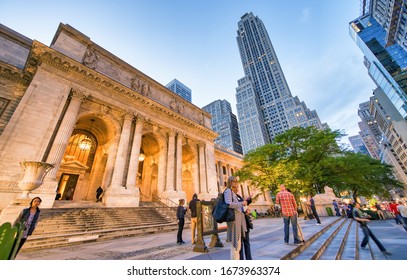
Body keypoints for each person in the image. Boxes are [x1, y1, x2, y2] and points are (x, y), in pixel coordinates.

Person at [224, 175, 248, 260]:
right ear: (230, 182)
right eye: (234, 181)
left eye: (236, 181)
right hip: (234, 220)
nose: (236, 183)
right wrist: (241, 203)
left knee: (238, 246)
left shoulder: (232, 192)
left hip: (238, 220)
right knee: (235, 246)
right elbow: (229, 204)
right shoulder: (228, 191)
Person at [235, 191, 252, 260]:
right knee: (240, 244)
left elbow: (245, 203)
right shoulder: (231, 198)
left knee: (247, 242)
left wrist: (249, 198)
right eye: (235, 187)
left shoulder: (239, 196)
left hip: (245, 222)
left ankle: (249, 259)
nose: (237, 189)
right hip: (239, 222)